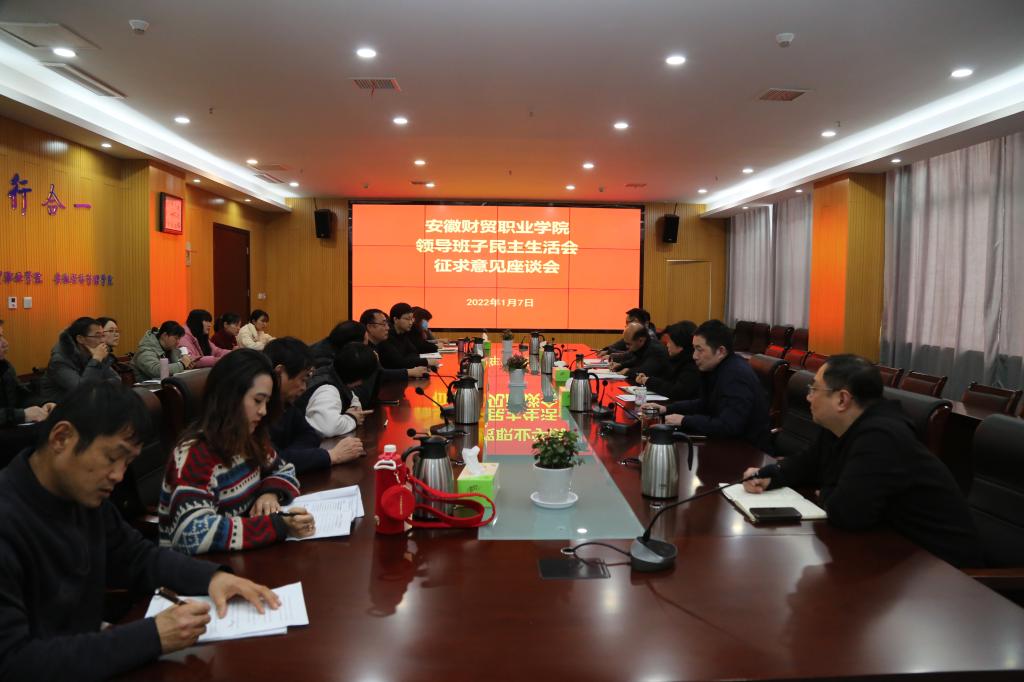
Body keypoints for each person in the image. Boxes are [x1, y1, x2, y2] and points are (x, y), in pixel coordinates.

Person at [0, 381, 281, 681]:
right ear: (62, 438)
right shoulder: (10, 519)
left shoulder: (82, 495)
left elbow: (137, 557)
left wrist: (214, 578)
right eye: (112, 458)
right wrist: (153, 636)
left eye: (127, 463)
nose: (119, 476)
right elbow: (15, 662)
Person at [742, 355, 984, 568]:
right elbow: (808, 464)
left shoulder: (882, 436)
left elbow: (847, 513)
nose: (808, 397)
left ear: (842, 399)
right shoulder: (840, 425)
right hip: (895, 553)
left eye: (814, 389)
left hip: (941, 568)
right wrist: (771, 474)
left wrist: (827, 493)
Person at [159, 349, 314, 555]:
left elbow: (284, 469)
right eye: (257, 400)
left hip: (241, 557)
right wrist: (278, 526)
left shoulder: (249, 439)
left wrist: (270, 493)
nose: (263, 411)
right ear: (230, 397)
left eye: (266, 402)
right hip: (201, 568)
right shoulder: (194, 454)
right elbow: (193, 533)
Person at [656, 319, 771, 450]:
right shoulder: (716, 367)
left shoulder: (736, 376)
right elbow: (705, 404)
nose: (694, 356)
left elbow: (729, 426)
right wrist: (667, 409)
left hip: (747, 451)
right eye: (694, 349)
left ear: (720, 351)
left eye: (699, 350)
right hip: (727, 444)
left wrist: (684, 420)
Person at [264, 337, 364, 473]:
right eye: (302, 379)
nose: (304, 388)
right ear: (280, 373)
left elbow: (310, 435)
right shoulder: (256, 412)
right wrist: (331, 456)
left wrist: (289, 456)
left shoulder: (286, 405)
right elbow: (270, 463)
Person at [0, 321, 54, 467]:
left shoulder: (5, 366)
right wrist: (22, 414)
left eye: (3, 336)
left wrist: (44, 404)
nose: (5, 343)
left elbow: (22, 394)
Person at [299, 342, 377, 439]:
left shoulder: (333, 374)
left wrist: (354, 409)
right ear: (359, 379)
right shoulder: (328, 390)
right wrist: (352, 418)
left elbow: (353, 398)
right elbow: (328, 428)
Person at [39, 316, 120, 402]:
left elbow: (116, 379)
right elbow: (82, 391)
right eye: (97, 336)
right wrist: (96, 360)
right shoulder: (60, 360)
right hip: (59, 406)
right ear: (80, 339)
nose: (102, 341)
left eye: (102, 335)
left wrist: (98, 360)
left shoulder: (94, 353)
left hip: (87, 404)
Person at [634, 321, 701, 401]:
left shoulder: (692, 365)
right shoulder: (675, 359)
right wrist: (647, 379)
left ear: (680, 345)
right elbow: (665, 381)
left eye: (670, 341)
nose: (667, 345)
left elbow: (676, 391)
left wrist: (649, 381)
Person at [360, 308, 431, 380]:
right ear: (370, 327)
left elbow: (413, 352)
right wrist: (410, 372)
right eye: (383, 324)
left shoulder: (378, 345)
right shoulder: (364, 350)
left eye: (387, 324)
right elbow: (379, 375)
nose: (388, 328)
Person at [376, 303, 440, 371]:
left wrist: (410, 360)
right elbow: (399, 362)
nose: (410, 322)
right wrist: (426, 362)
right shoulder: (386, 336)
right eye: (407, 319)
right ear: (395, 319)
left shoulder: (403, 334)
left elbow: (414, 352)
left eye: (411, 319)